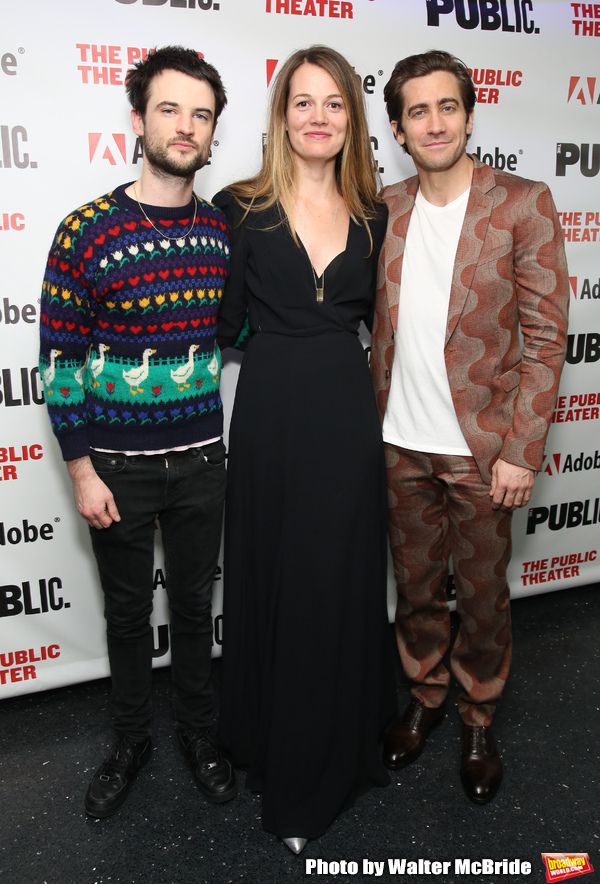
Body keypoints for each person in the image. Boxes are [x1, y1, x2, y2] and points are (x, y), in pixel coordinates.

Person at [39, 46, 236, 818]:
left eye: (200, 114)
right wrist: (82, 471)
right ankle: (130, 740)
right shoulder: (85, 230)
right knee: (126, 615)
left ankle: (196, 731)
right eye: (169, 109)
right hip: (114, 468)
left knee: (192, 608)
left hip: (200, 464)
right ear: (138, 119)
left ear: (212, 130)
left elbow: (237, 329)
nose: (184, 127)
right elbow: (59, 362)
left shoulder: (221, 232)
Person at [371, 50, 569, 804]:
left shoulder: (522, 202)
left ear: (470, 114)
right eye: (417, 111)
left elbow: (546, 338)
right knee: (417, 588)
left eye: (446, 106)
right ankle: (424, 699)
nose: (434, 122)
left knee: (483, 594)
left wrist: (522, 450)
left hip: (484, 452)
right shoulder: (382, 209)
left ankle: (479, 712)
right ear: (397, 127)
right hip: (398, 443)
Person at [214, 45, 395, 853]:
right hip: (271, 418)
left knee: (337, 585)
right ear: (281, 115)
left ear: (351, 120)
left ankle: (336, 757)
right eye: (302, 101)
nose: (318, 116)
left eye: (334, 103)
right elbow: (220, 325)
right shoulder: (239, 207)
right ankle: (275, 754)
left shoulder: (375, 211)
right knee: (278, 582)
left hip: (346, 418)